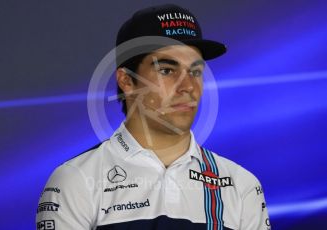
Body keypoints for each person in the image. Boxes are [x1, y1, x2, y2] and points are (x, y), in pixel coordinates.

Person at [36, 4, 270, 230]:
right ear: (127, 81)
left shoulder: (241, 186)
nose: (188, 86)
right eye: (167, 70)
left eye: (195, 71)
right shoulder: (76, 181)